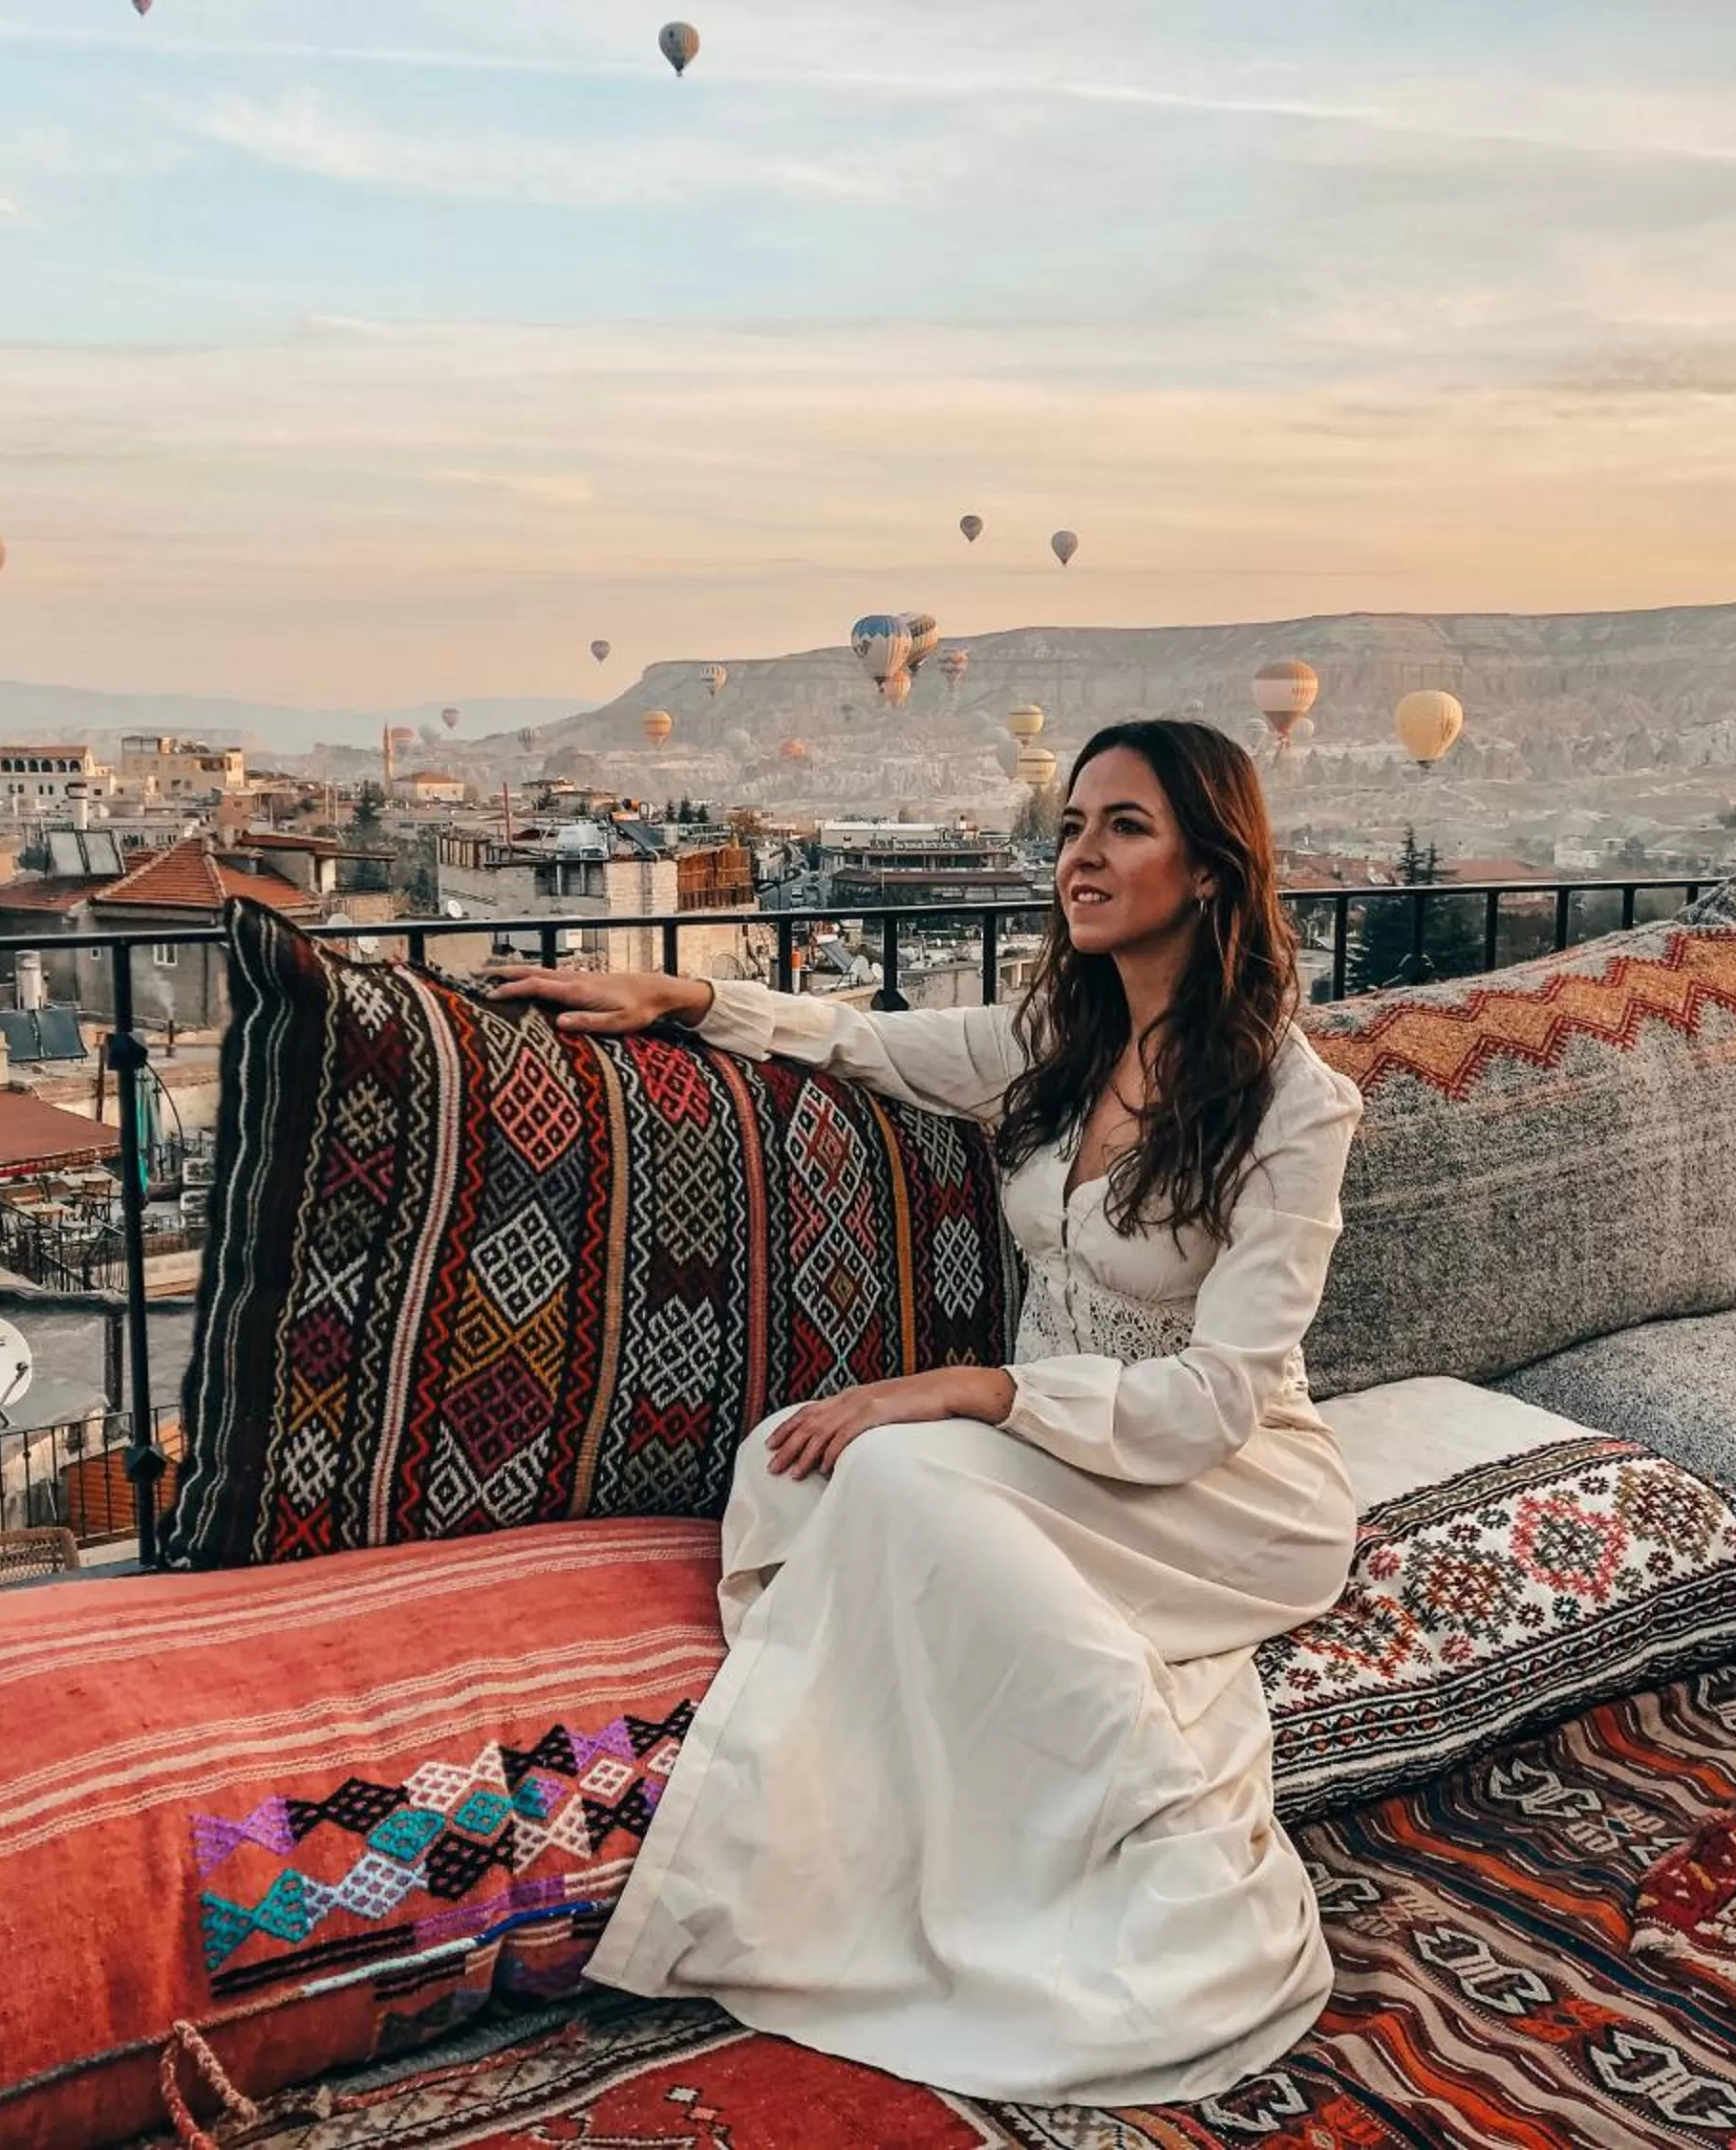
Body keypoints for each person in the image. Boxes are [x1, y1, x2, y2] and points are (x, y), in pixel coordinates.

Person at [484, 718, 1363, 2104]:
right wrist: (685, 1001)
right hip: (1049, 1452)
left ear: (1210, 868)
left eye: (1124, 826)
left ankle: (1126, 1836)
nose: (1081, 854)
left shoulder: (1294, 1105)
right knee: (797, 1464)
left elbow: (1216, 1400)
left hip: (1228, 1490)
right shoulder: (1056, 1049)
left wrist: (976, 1387)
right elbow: (857, 1038)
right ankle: (856, 1825)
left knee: (887, 1475)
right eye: (1072, 825)